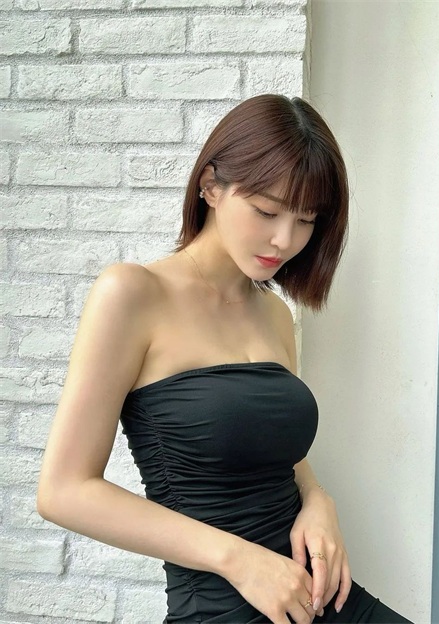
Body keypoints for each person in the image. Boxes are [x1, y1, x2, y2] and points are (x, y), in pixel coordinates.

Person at [37, 94, 413, 624]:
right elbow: (63, 491)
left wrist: (317, 499)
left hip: (319, 597)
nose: (285, 240)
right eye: (267, 211)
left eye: (306, 220)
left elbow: (269, 446)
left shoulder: (275, 314)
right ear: (211, 186)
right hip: (225, 608)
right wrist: (238, 560)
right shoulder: (132, 294)